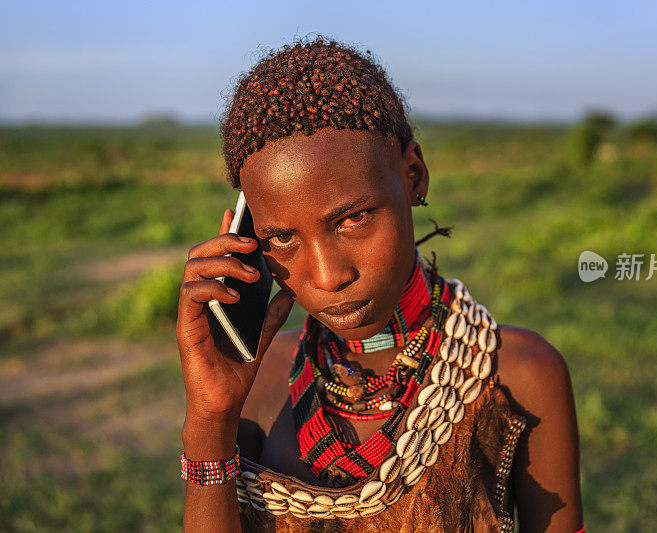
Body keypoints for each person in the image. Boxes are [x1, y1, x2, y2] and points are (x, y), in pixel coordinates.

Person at [176, 36, 585, 533]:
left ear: (413, 176)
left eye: (353, 219)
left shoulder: (517, 376)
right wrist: (210, 421)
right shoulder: (260, 384)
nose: (329, 276)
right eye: (282, 238)